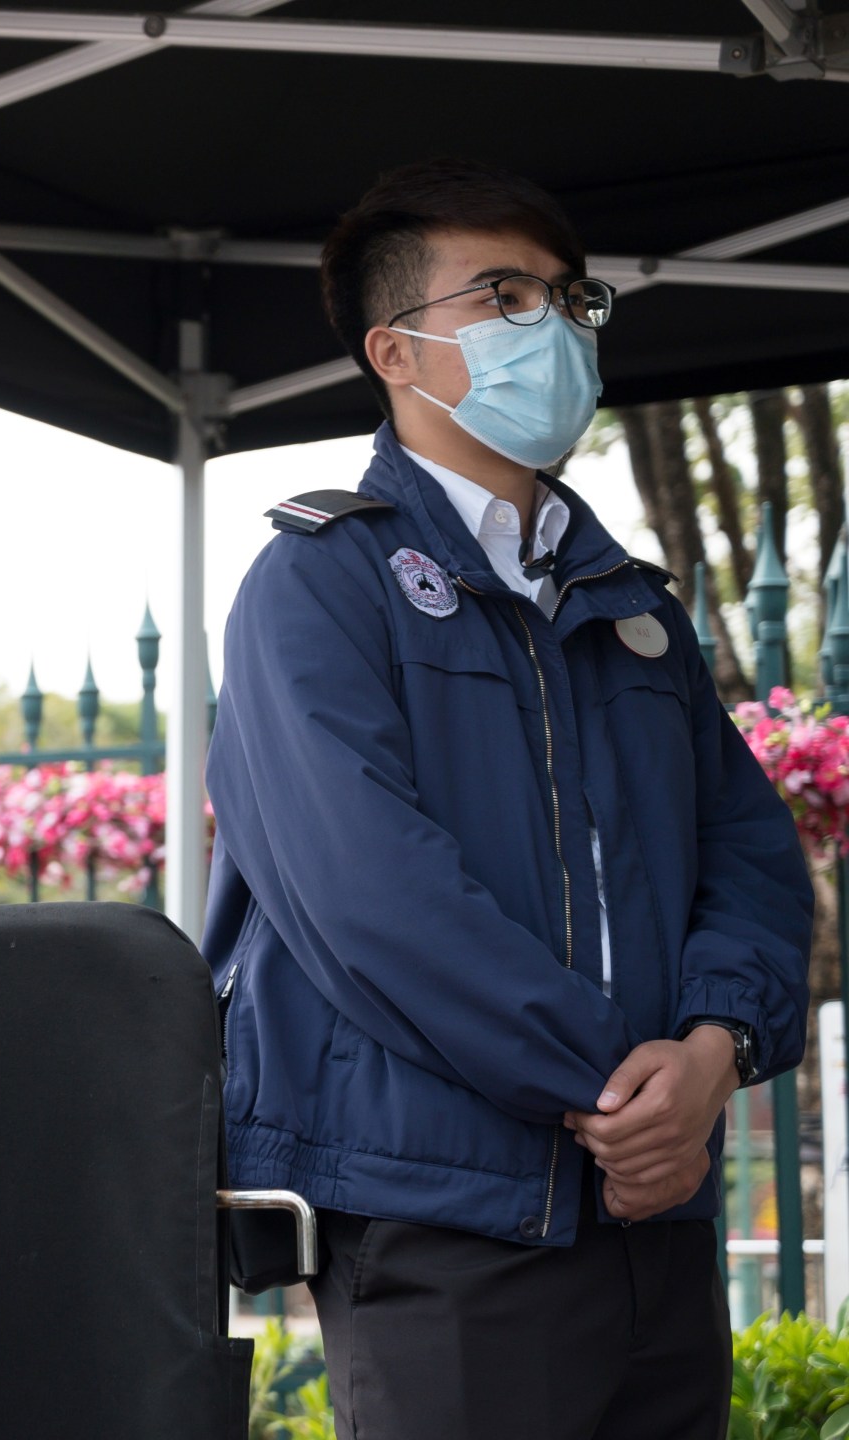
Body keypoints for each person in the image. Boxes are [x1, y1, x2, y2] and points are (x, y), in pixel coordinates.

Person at [206, 157, 813, 1439]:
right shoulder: (318, 584)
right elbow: (373, 898)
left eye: (566, 298)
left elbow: (751, 856)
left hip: (655, 1217)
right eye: (504, 296)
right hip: (451, 1220)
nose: (555, 326)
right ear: (396, 351)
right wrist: (622, 1100)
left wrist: (711, 1057)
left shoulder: (633, 607)